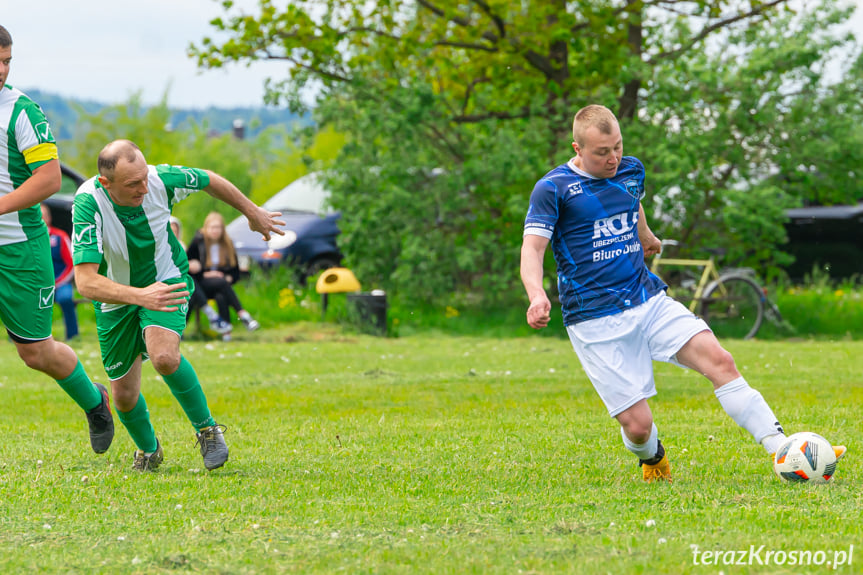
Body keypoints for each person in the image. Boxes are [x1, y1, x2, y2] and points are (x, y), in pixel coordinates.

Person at [519, 104, 846, 482]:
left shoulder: (630, 169)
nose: (613, 159)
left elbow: (631, 200)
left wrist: (645, 235)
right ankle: (652, 458)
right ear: (577, 149)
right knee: (638, 426)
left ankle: (786, 450)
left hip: (646, 297)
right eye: (601, 152)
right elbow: (533, 248)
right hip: (594, 317)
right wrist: (536, 294)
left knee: (720, 361)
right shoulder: (553, 189)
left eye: (617, 147)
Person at [71, 139, 284, 471]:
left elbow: (210, 179)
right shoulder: (87, 203)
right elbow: (85, 282)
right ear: (105, 183)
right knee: (124, 397)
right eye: (132, 184)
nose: (144, 187)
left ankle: (208, 430)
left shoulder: (160, 180)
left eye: (144, 176)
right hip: (116, 296)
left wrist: (252, 211)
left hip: (167, 279)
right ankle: (149, 450)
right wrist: (139, 295)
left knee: (165, 357)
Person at [0, 25, 114, 454]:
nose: (2, 69)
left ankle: (95, 401)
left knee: (36, 352)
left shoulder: (21, 112)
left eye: (7, 60)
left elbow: (48, 180)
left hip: (20, 249)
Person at [186, 211, 260, 332]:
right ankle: (242, 314)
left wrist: (229, 278)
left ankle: (225, 330)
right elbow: (188, 268)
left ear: (222, 229)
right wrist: (206, 274)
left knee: (220, 295)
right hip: (200, 284)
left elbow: (235, 271)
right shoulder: (198, 242)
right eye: (212, 227)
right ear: (206, 228)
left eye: (218, 227)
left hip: (220, 285)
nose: (215, 231)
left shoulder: (227, 244)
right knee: (218, 284)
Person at [171, 215, 232, 336]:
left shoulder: (181, 246)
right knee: (191, 287)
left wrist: (196, 267)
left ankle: (179, 330)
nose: (174, 234)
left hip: (186, 283)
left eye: (176, 231)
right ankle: (214, 315)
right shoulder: (197, 243)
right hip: (169, 283)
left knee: (192, 291)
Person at [41, 203, 80, 340]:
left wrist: (58, 282)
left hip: (61, 282)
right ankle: (22, 337)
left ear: (49, 218)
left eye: (43, 216)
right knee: (25, 299)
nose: (41, 218)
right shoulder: (27, 239)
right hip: (38, 284)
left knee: (65, 298)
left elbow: (71, 264)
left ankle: (73, 335)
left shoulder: (60, 236)